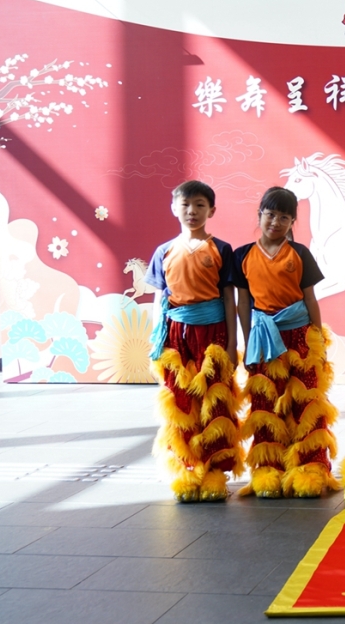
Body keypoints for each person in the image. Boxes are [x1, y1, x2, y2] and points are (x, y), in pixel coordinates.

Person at [234, 186, 339, 498]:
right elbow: (243, 303)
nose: (275, 222)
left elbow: (310, 300)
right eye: (270, 214)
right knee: (265, 402)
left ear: (293, 221)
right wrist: (248, 340)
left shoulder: (300, 253)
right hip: (263, 337)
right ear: (259, 215)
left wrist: (318, 339)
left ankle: (310, 467)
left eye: (284, 217)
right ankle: (269, 468)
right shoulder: (242, 255)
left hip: (299, 335)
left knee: (306, 401)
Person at [147, 180, 242, 502]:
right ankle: (186, 469)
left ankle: (215, 472)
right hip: (176, 336)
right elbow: (159, 299)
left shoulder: (221, 249)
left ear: (211, 211)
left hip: (213, 334)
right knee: (180, 403)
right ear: (174, 208)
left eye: (200, 205)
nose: (192, 211)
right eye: (185, 205)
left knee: (215, 401)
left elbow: (229, 298)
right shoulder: (163, 251)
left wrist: (231, 344)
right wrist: (157, 344)